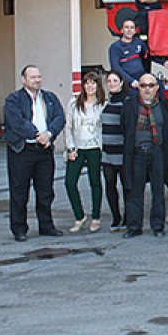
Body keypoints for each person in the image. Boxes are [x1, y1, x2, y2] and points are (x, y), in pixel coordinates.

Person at [4, 65, 65, 241]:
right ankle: (19, 228)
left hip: (44, 151)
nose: (37, 80)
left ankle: (46, 226)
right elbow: (16, 122)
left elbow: (59, 117)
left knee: (46, 190)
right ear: (23, 79)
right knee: (19, 191)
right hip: (22, 150)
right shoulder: (13, 99)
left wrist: (50, 134)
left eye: (39, 77)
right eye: (32, 77)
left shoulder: (49, 98)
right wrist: (37, 135)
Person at [121, 73, 168, 238]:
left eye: (151, 85)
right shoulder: (130, 106)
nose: (147, 89)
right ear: (138, 87)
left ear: (157, 88)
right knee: (135, 191)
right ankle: (134, 227)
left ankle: (158, 226)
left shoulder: (165, 106)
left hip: (157, 151)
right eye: (143, 85)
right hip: (136, 152)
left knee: (158, 191)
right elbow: (124, 127)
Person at [64, 71, 106, 233]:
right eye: (87, 83)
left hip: (95, 147)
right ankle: (79, 216)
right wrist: (70, 147)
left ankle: (96, 217)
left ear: (98, 85)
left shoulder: (103, 104)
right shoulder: (74, 103)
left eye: (93, 83)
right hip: (78, 147)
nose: (90, 86)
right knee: (69, 182)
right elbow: (68, 127)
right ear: (83, 85)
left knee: (95, 182)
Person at [101, 70, 129, 232]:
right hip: (107, 154)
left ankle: (126, 217)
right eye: (109, 81)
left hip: (122, 153)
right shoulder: (105, 103)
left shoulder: (127, 102)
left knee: (126, 187)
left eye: (114, 81)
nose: (111, 84)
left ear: (121, 82)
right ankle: (115, 217)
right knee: (110, 186)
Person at [108, 19, 152, 93]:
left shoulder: (139, 42)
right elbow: (115, 67)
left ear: (135, 31)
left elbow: (149, 54)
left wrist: (163, 62)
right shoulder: (115, 47)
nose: (129, 30)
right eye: (126, 27)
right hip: (127, 81)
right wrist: (130, 81)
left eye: (132, 28)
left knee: (158, 86)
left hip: (142, 77)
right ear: (121, 30)